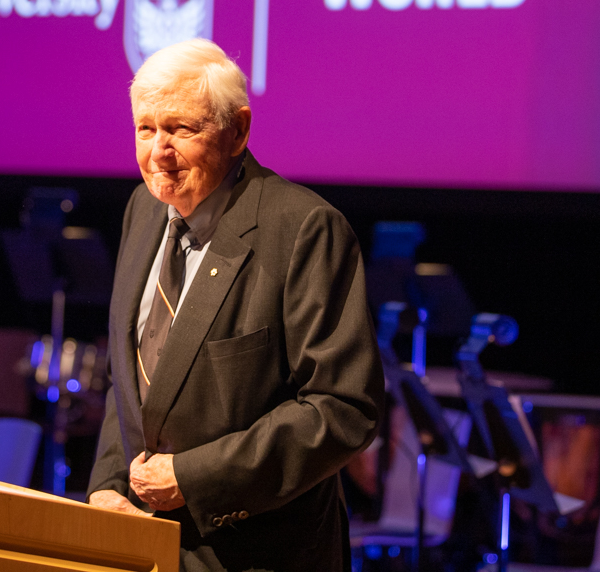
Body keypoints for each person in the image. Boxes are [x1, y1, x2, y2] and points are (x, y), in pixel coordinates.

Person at [87, 39, 385, 571]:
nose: (159, 150)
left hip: (258, 553)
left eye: (181, 128)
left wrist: (195, 476)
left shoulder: (304, 230)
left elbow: (341, 407)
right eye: (145, 129)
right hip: (142, 546)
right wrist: (109, 486)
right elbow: (131, 381)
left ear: (238, 130)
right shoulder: (142, 209)